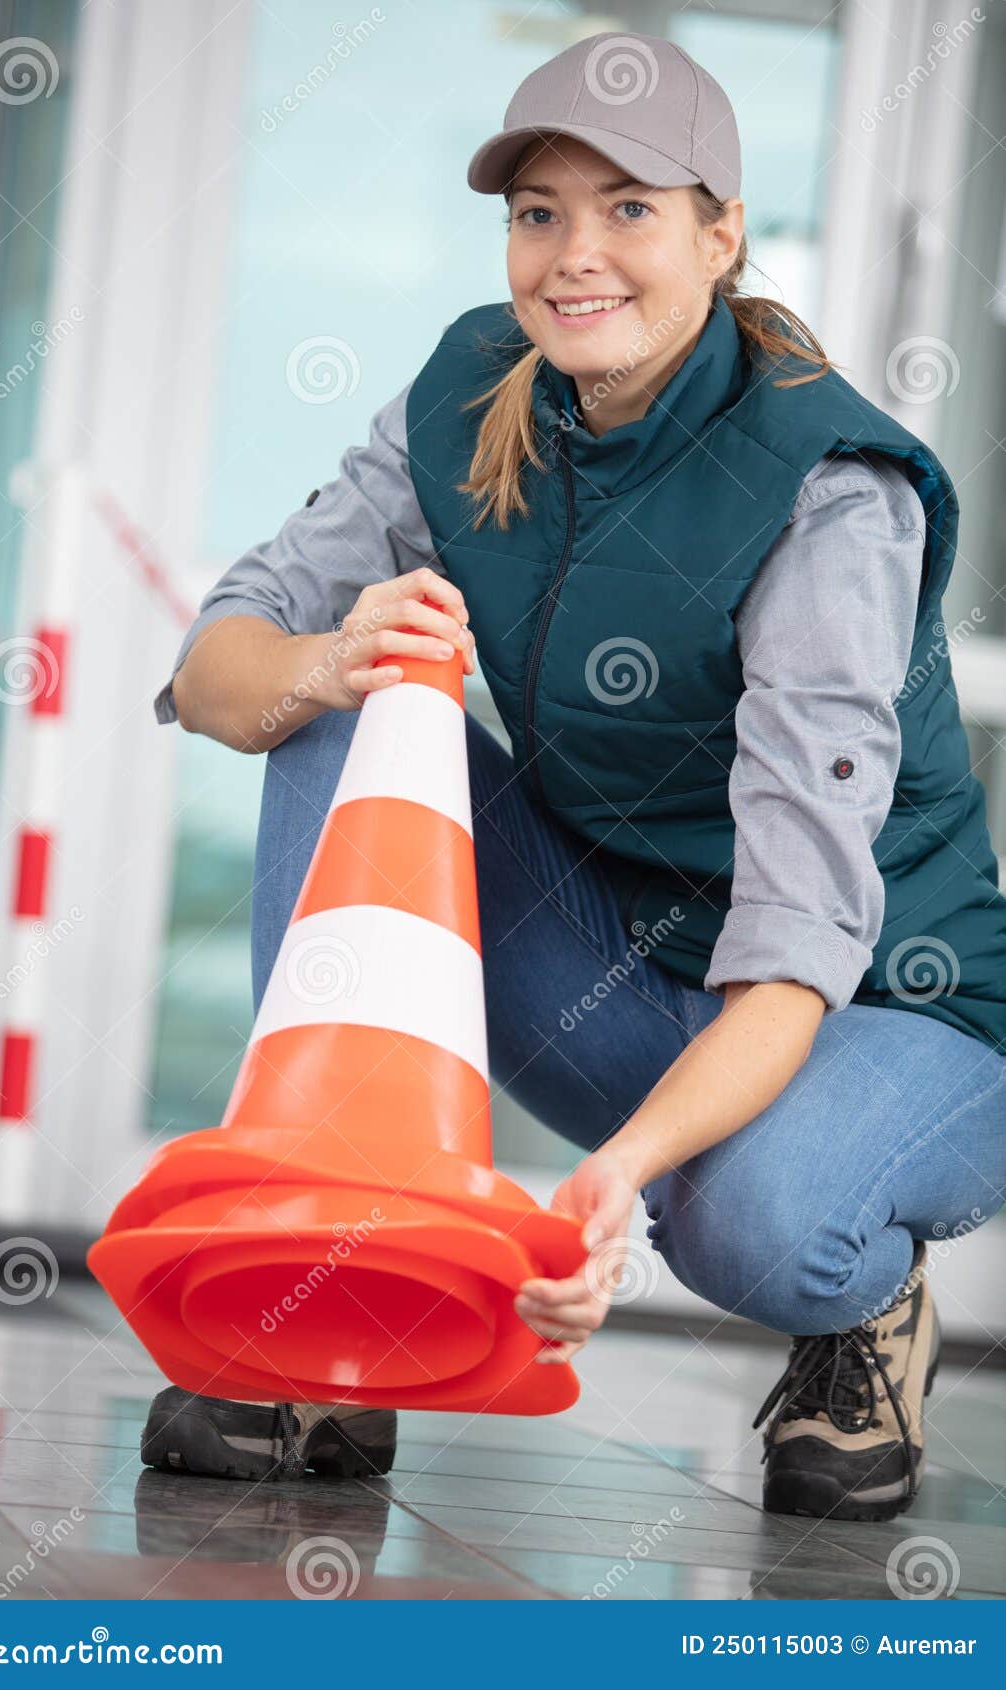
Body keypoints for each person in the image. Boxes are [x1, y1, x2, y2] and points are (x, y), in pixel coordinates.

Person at [140, 33, 1006, 1522]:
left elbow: (800, 952)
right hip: (632, 967)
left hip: (884, 1006)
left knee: (755, 1223)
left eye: (629, 209)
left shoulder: (825, 492)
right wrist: (324, 663)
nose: (573, 256)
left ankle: (868, 1310)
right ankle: (325, 1286)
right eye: (539, 211)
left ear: (721, 235)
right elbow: (222, 662)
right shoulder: (475, 395)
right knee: (336, 721)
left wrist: (609, 1177)